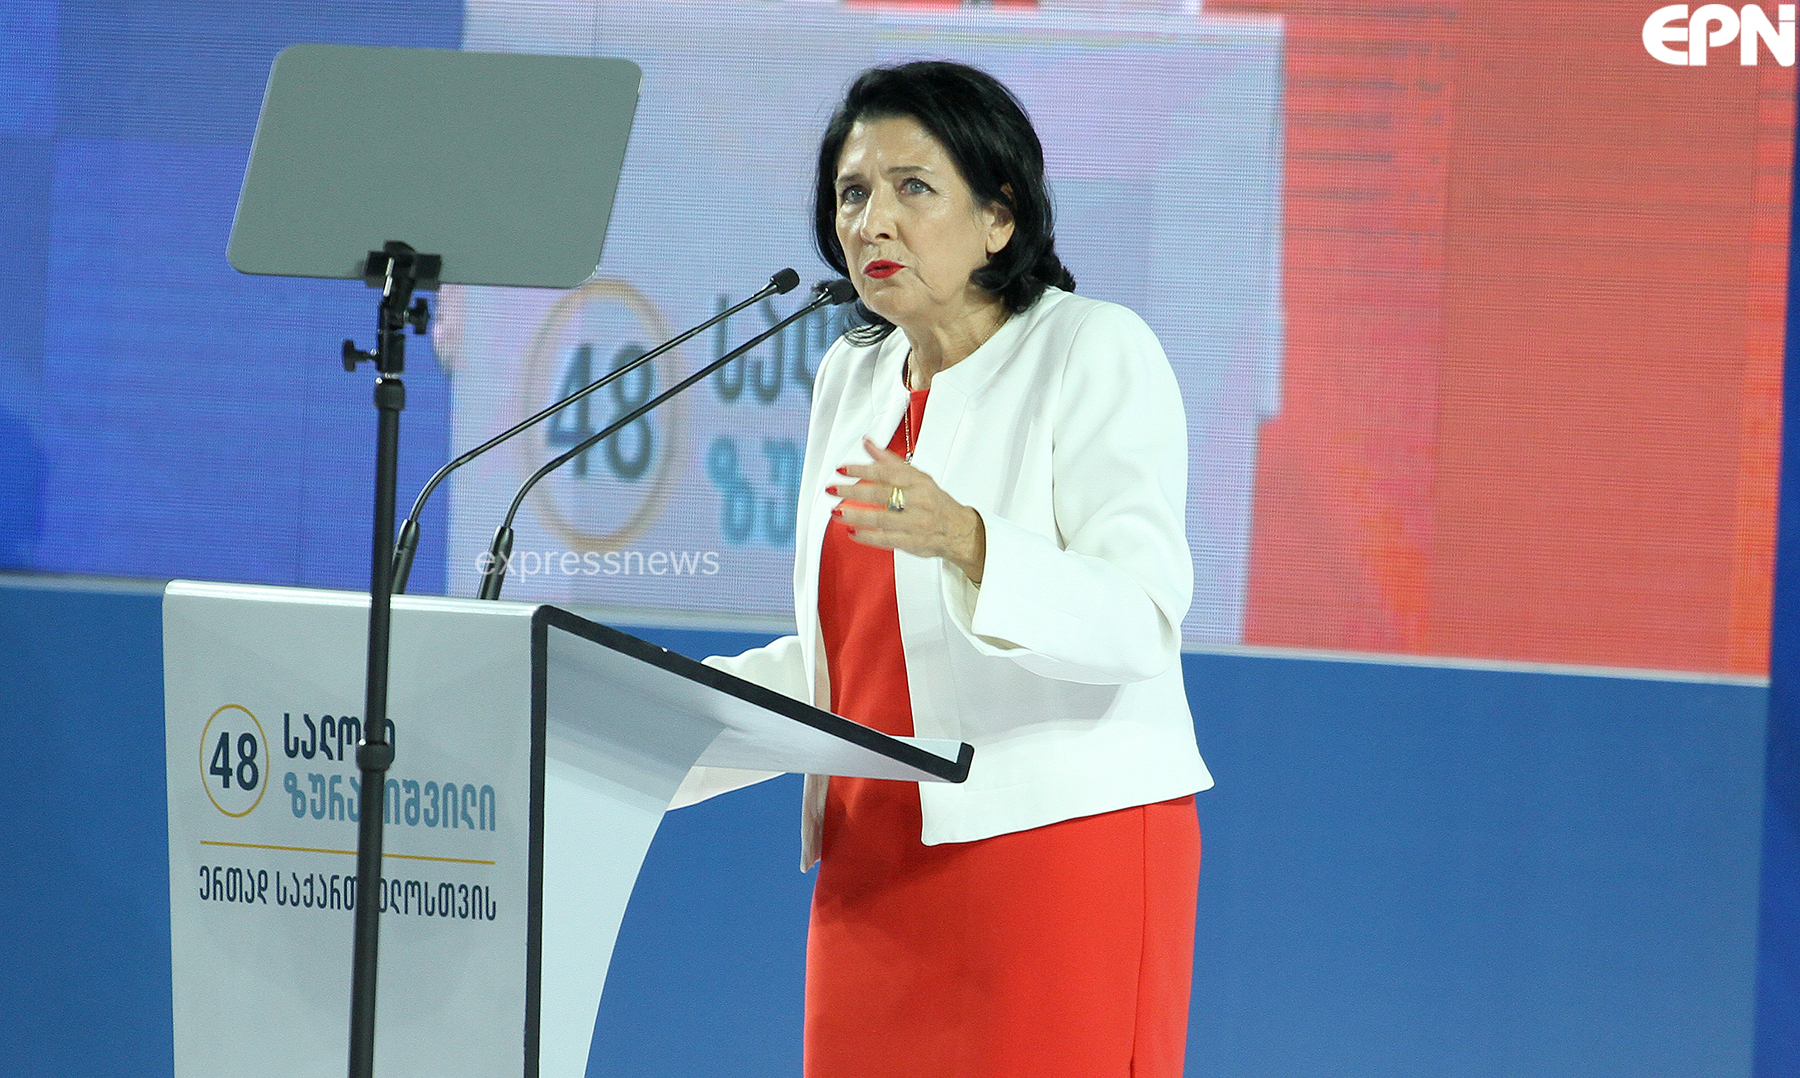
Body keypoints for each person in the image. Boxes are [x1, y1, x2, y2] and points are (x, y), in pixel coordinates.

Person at [672, 60, 1212, 1078]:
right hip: (873, 868)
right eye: (852, 193)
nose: (872, 220)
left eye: (912, 187)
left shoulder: (1093, 349)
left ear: (999, 216)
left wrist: (970, 539)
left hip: (1058, 856)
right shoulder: (853, 375)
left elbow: (1140, 619)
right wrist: (649, 728)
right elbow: (851, 663)